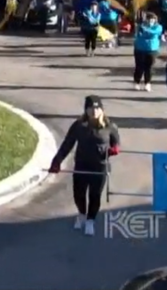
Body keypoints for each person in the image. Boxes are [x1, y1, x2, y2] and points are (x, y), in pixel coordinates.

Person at [48, 95, 120, 237]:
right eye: (91, 108)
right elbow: (67, 144)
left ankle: (90, 220)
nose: (94, 111)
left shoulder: (110, 126)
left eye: (97, 108)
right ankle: (82, 214)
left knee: (95, 196)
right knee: (78, 195)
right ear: (86, 110)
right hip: (81, 165)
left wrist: (114, 150)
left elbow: (116, 143)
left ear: (102, 109)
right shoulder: (79, 126)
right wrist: (56, 161)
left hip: (100, 167)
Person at [133, 12, 163, 91]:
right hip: (140, 49)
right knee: (139, 67)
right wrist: (140, 28)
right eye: (149, 19)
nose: (151, 21)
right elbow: (137, 35)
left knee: (149, 67)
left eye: (152, 19)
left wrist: (145, 30)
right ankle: (137, 82)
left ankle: (147, 83)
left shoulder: (158, 27)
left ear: (155, 20)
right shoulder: (141, 26)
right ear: (146, 20)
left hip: (152, 49)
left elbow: (154, 33)